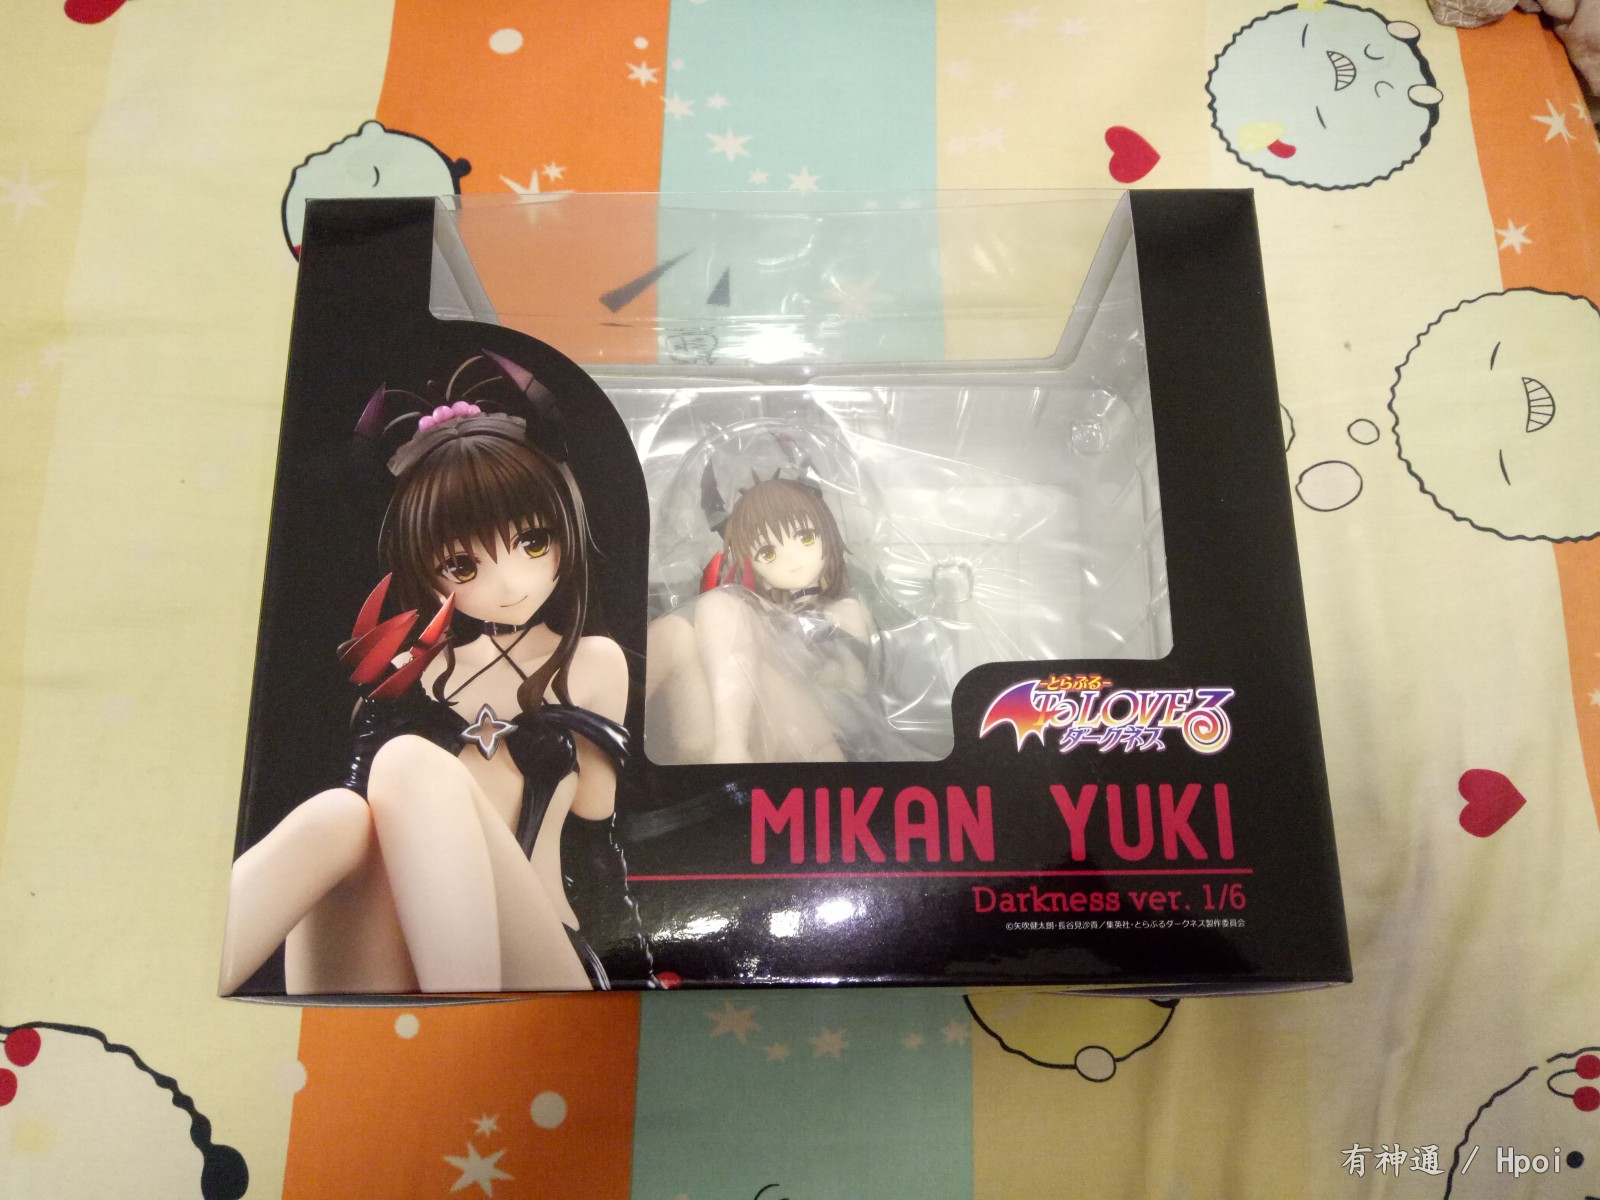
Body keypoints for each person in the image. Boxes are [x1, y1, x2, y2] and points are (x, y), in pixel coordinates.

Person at [221, 352, 640, 994]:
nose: (510, 583)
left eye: (533, 543)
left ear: (566, 525)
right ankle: (168, 981)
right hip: (403, 956)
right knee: (334, 815)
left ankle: (462, 1025)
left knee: (407, 762)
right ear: (427, 570)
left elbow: (596, 821)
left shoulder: (592, 661)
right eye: (464, 566)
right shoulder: (412, 671)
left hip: (543, 955)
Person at [645, 470, 874, 763]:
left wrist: (817, 659)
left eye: (805, 538)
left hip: (818, 738)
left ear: (828, 538)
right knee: (679, 630)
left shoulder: (844, 611)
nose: (791, 558)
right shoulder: (753, 611)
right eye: (768, 553)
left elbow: (854, 687)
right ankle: (724, 747)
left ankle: (729, 746)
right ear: (757, 571)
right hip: (742, 732)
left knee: (723, 614)